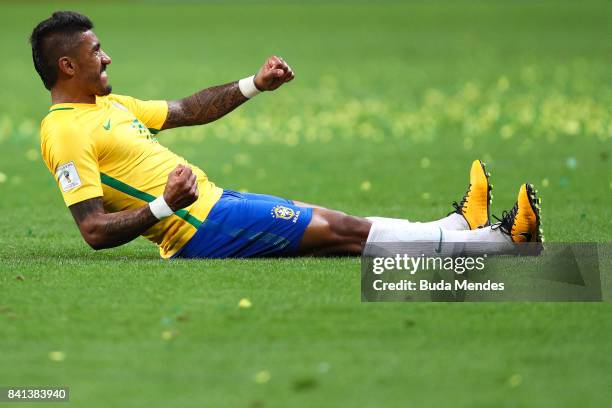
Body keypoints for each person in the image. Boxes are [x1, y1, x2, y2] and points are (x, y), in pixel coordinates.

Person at [31, 11, 542, 260]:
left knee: (333, 224)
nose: (107, 57)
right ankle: (505, 243)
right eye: (97, 50)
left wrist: (256, 84)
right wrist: (164, 206)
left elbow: (188, 109)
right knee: (343, 234)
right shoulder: (64, 134)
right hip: (199, 228)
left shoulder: (110, 106)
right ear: (68, 64)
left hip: (215, 206)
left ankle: (457, 226)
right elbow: (94, 232)